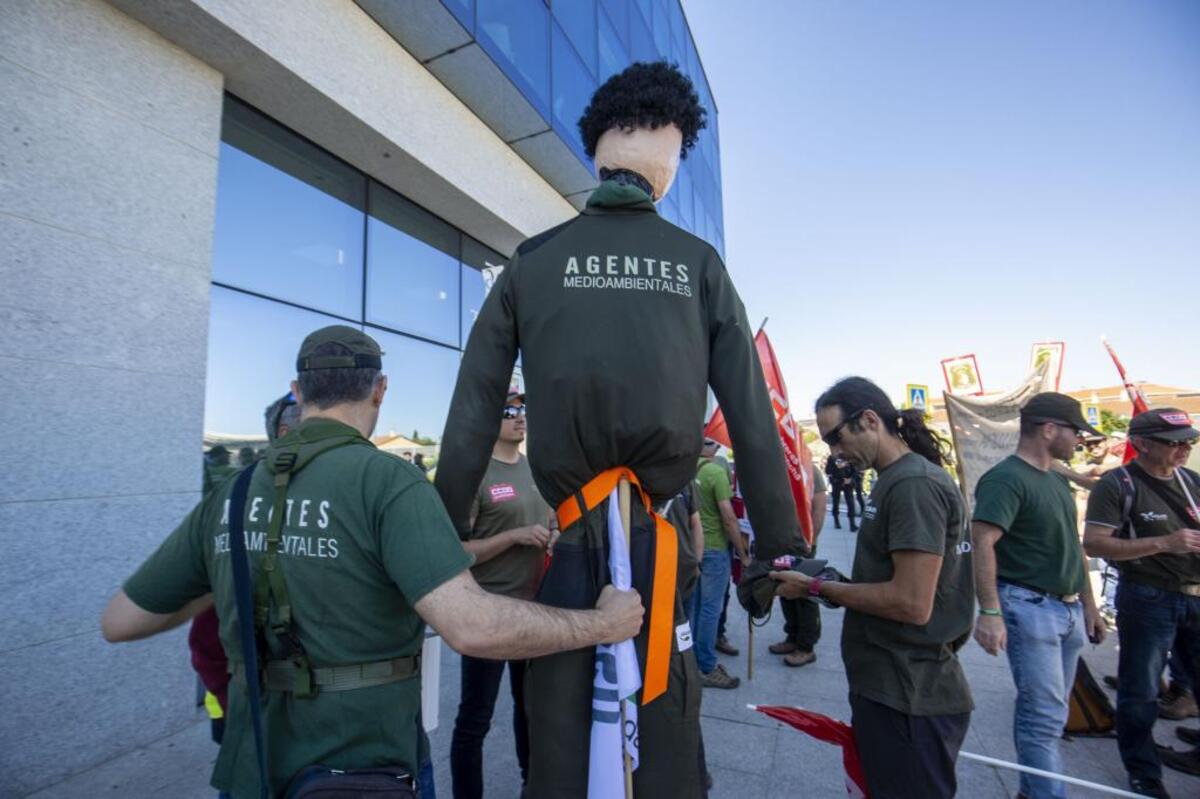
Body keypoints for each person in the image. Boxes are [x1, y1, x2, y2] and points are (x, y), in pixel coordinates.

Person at [433, 62, 798, 798]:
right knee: (664, 738)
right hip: (659, 545)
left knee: (562, 735)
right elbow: (754, 420)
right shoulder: (697, 264)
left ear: (598, 154)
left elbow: (472, 412)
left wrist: (439, 542)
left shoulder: (532, 262)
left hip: (568, 550)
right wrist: (779, 549)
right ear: (666, 166)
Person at [101, 325, 643, 799]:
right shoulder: (388, 481)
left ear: (298, 391)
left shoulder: (234, 493)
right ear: (380, 390)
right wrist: (603, 624)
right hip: (364, 768)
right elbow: (472, 627)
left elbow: (121, 620)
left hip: (253, 766)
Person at [773, 377, 974, 799]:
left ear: (868, 420)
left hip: (909, 695)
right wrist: (826, 582)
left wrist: (816, 589)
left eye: (836, 437)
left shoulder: (912, 484)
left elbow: (911, 602)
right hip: (895, 688)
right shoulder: (895, 479)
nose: (834, 451)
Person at [971, 392, 1107, 799]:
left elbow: (1072, 546)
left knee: (1047, 715)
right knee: (1044, 718)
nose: (1080, 439)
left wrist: (1089, 605)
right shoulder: (1006, 478)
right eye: (1075, 431)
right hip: (1029, 609)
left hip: (1064, 612)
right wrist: (990, 612)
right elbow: (982, 543)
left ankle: (1032, 792)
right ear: (1049, 429)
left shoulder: (1055, 479)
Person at [1083, 408, 1200, 798]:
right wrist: (1164, 543)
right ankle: (1143, 772)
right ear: (1142, 444)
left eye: (1189, 441)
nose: (1184, 448)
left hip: (1195, 594)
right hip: (1149, 596)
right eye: (1174, 442)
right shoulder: (1118, 484)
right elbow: (1095, 544)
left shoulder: (1192, 481)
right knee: (1140, 690)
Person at [450, 390, 555, 798]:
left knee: (530, 709)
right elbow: (455, 552)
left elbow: (547, 518)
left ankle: (534, 784)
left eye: (522, 409)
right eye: (508, 410)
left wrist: (554, 534)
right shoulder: (477, 473)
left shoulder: (533, 469)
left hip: (531, 609)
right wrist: (513, 536)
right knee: (475, 718)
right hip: (487, 610)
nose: (519, 416)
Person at [692, 438, 750, 688]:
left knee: (694, 607)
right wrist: (743, 553)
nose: (717, 449)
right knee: (709, 610)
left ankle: (690, 661)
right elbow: (728, 518)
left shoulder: (687, 470)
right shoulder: (715, 472)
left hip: (694, 548)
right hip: (715, 548)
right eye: (715, 444)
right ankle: (705, 666)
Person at [770, 455, 828, 667]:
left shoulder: (810, 470)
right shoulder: (779, 468)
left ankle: (806, 646)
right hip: (783, 544)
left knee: (806, 595)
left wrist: (810, 541)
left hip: (804, 544)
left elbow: (820, 507)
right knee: (787, 591)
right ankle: (792, 637)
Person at [826, 456, 858, 531]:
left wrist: (851, 479)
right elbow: (827, 471)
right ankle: (836, 521)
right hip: (836, 482)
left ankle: (852, 523)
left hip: (847, 483)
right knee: (836, 502)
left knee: (850, 503)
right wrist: (837, 467)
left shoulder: (849, 456)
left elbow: (855, 470)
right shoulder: (832, 458)